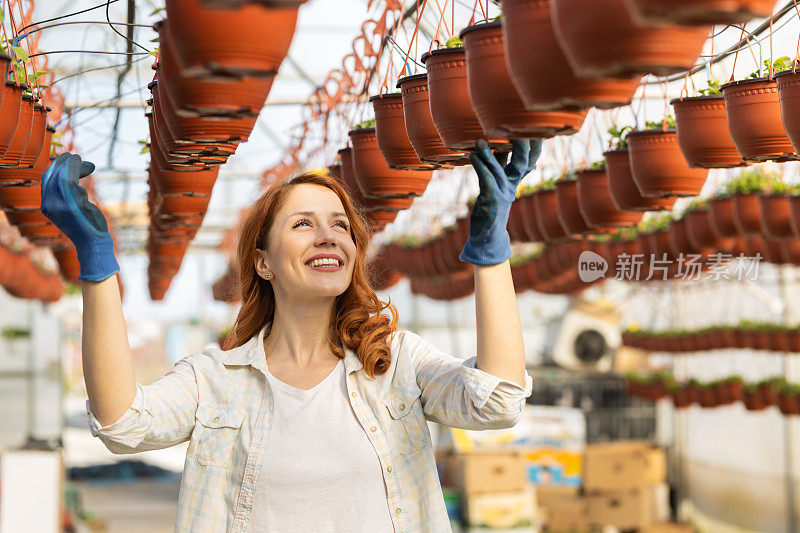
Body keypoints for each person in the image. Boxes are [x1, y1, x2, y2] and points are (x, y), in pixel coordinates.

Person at [40, 137, 542, 533]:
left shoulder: (394, 364)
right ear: (263, 262)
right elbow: (122, 423)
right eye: (303, 223)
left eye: (341, 226)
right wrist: (98, 261)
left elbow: (497, 402)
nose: (329, 235)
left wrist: (491, 252)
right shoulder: (218, 380)